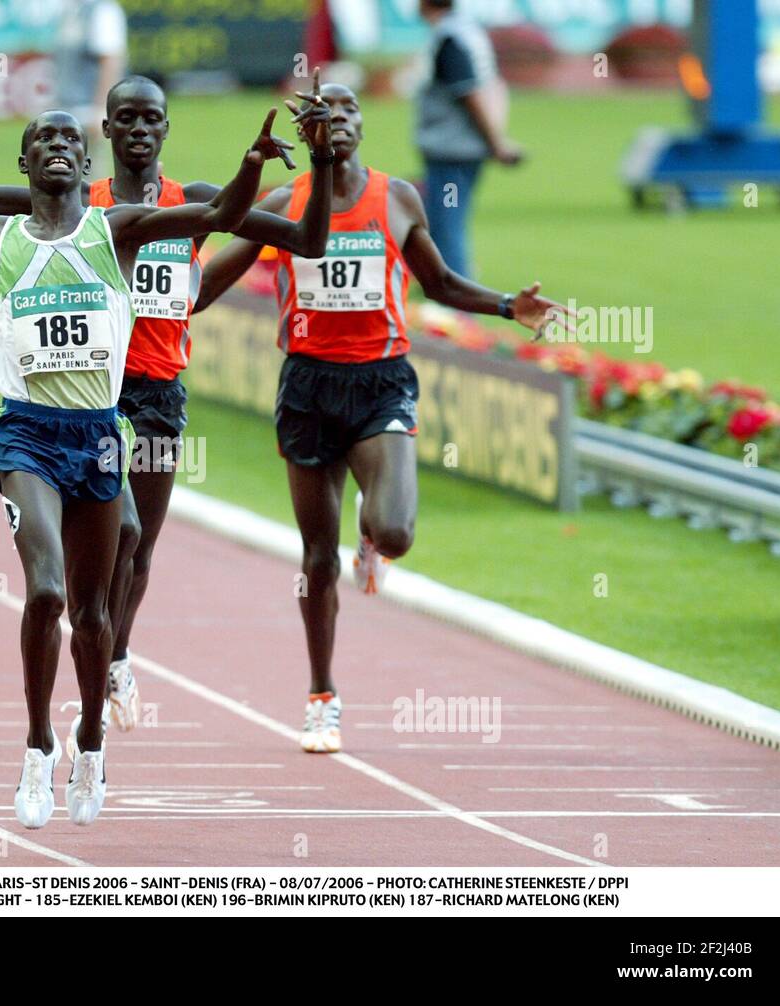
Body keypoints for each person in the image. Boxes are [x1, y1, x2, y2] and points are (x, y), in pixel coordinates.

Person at [0, 104, 322, 828]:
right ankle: (37, 747)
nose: (56, 147)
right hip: (25, 435)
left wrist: (251, 163)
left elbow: (229, 212)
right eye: (41, 140)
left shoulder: (118, 230)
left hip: (101, 436)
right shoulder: (0, 234)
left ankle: (90, 737)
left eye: (68, 141)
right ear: (25, 167)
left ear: (88, 169)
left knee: (91, 611)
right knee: (45, 591)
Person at [0, 29, 332, 758]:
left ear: (166, 129)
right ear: (105, 131)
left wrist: (322, 162)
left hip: (159, 396)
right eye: (125, 119)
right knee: (125, 530)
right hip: (89, 401)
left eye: (151, 119)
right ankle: (99, 665)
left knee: (140, 553)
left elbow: (307, 239)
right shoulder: (77, 203)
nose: (138, 130)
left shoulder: (191, 205)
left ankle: (116, 655)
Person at [194, 81, 568, 755]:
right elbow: (211, 281)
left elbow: (443, 284)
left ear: (362, 125)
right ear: (308, 133)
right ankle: (321, 697)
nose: (338, 120)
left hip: (381, 382)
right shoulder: (284, 204)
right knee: (315, 557)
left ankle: (371, 542)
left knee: (393, 531)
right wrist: (155, 300)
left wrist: (511, 305)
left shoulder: (397, 199)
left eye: (349, 110)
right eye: (324, 113)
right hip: (307, 385)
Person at [414, 0, 519, 280]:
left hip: (452, 151)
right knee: (440, 222)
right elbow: (494, 86)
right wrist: (497, 137)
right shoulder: (469, 32)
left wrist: (496, 142)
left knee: (447, 227)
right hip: (465, 147)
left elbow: (469, 93)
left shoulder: (450, 39)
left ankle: (458, 306)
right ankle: (443, 288)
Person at [52, 0, 127, 177]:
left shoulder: (103, 10)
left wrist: (102, 109)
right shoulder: (71, 9)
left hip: (87, 110)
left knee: (89, 179)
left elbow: (110, 61)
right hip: (67, 108)